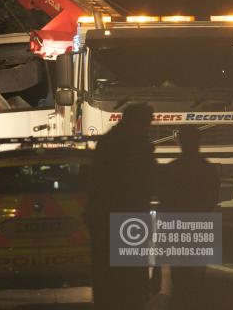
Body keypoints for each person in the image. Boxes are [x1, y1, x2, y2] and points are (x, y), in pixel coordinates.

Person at [87, 103, 157, 310]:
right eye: (146, 122)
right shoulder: (137, 146)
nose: (148, 127)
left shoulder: (108, 143)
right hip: (128, 214)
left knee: (108, 275)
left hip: (106, 216)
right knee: (130, 277)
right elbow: (147, 179)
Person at [159, 126, 220, 310]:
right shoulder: (208, 169)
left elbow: (165, 199)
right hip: (199, 223)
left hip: (178, 225)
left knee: (180, 272)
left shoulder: (172, 169)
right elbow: (213, 197)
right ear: (198, 142)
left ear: (180, 142)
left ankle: (182, 301)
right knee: (197, 271)